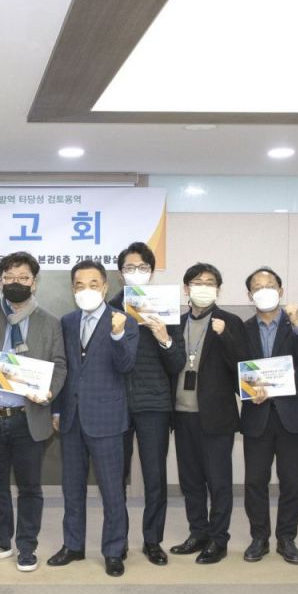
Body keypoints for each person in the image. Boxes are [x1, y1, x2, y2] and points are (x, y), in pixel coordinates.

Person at [0, 251, 67, 572]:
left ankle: (27, 546)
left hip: (28, 416)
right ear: (0, 282)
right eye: (9, 277)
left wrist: (49, 391)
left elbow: (60, 365)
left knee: (29, 487)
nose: (16, 283)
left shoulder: (50, 322)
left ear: (34, 282)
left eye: (23, 277)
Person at [50, 259, 139, 577]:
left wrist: (117, 335)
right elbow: (62, 368)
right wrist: (56, 408)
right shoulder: (67, 321)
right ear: (72, 289)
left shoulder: (124, 321)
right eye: (79, 285)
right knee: (72, 488)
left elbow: (127, 365)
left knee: (112, 491)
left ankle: (114, 550)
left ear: (104, 287)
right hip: (71, 418)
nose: (85, 290)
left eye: (92, 284)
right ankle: (73, 545)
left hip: (107, 417)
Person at [110, 242, 185, 566]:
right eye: (129, 268)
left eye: (142, 267)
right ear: (120, 273)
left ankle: (152, 541)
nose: (136, 272)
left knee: (155, 478)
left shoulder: (165, 309)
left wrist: (163, 336)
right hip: (116, 403)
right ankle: (118, 541)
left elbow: (177, 361)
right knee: (116, 478)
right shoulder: (109, 309)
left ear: (152, 272)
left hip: (154, 404)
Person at [170, 262, 247, 564]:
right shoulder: (176, 323)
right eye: (197, 282)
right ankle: (198, 533)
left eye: (210, 282)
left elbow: (244, 365)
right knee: (190, 480)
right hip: (182, 414)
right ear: (186, 288)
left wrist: (225, 336)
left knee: (218, 481)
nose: (203, 287)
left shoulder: (230, 322)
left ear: (218, 289)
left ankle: (218, 539)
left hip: (215, 416)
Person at [239, 266, 298, 565]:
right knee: (254, 481)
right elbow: (234, 368)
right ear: (250, 295)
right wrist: (247, 390)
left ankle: (287, 538)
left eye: (270, 285)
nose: (264, 290)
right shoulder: (242, 329)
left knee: (291, 481)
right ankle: (259, 538)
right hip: (257, 414)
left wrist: (296, 322)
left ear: (280, 291)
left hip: (292, 415)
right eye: (257, 287)